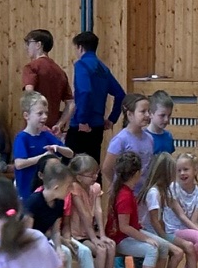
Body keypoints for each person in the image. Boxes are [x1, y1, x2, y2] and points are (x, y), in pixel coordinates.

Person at [107, 150, 179, 268]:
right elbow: (124, 227)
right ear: (137, 173)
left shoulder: (128, 191)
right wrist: (146, 238)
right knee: (151, 249)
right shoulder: (124, 195)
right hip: (120, 238)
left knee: (163, 246)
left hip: (130, 234)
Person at [67, 155, 120, 268]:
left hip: (90, 233)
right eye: (90, 175)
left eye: (96, 173)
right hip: (77, 235)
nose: (95, 176)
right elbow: (84, 215)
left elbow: (98, 211)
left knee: (110, 245)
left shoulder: (95, 187)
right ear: (78, 177)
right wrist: (93, 239)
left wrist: (102, 235)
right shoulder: (74, 188)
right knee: (101, 250)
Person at [68, 32, 125, 160]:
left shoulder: (81, 65)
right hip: (98, 125)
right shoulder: (103, 68)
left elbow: (85, 91)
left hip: (81, 125)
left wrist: (82, 120)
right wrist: (112, 119)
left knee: (71, 164)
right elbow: (120, 94)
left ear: (80, 47)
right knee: (93, 164)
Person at [11, 90, 67, 202]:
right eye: (40, 113)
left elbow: (69, 153)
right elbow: (19, 163)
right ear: (26, 116)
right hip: (26, 193)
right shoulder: (22, 138)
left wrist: (58, 148)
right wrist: (43, 157)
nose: (45, 117)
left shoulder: (46, 135)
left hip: (44, 192)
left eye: (46, 113)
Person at [20, 29, 71, 132]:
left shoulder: (31, 67)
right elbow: (71, 103)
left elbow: (30, 95)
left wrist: (38, 123)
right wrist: (59, 125)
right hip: (52, 131)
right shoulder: (60, 72)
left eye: (28, 43)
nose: (26, 47)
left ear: (38, 45)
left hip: (34, 130)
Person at [101, 93, 156, 191]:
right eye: (143, 111)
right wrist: (116, 184)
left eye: (148, 111)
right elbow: (106, 168)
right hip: (126, 193)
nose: (147, 115)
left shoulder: (149, 138)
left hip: (143, 192)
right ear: (130, 114)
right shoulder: (121, 140)